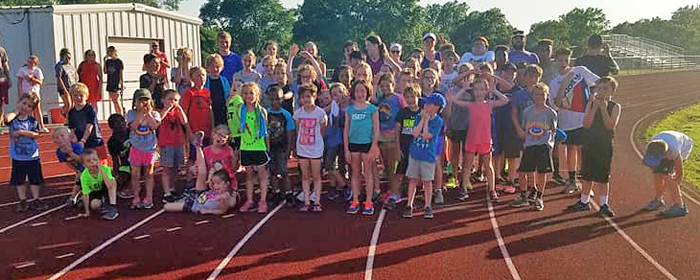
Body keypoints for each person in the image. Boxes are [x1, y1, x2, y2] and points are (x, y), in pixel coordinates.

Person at [568, 76, 620, 217]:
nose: (602, 92)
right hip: (590, 143)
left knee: (603, 176)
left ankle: (603, 204)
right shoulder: (590, 104)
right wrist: (595, 107)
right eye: (600, 88)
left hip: (604, 145)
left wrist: (603, 109)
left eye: (605, 89)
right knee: (587, 174)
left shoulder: (615, 107)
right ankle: (584, 201)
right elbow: (586, 124)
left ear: (612, 92)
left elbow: (610, 126)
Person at [452, 77, 510, 202]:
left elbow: (505, 100)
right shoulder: (470, 104)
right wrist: (464, 88)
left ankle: (492, 190)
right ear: (473, 91)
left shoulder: (489, 104)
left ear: (486, 91)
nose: (479, 92)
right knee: (467, 166)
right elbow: (455, 100)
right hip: (472, 139)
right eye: (476, 89)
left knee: (488, 166)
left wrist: (494, 90)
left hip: (485, 140)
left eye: (482, 89)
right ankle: (464, 189)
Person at [551, 48, 600, 194]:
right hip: (566, 121)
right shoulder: (554, 82)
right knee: (571, 149)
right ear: (556, 61)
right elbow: (557, 104)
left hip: (583, 119)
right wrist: (564, 86)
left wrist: (592, 96)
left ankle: (585, 182)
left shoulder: (580, 71)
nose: (563, 63)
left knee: (583, 150)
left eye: (566, 60)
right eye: (560, 60)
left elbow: (598, 82)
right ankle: (572, 181)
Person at [513, 82, 557, 211]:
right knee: (522, 172)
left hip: (544, 146)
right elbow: (525, 127)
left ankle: (539, 197)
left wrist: (550, 144)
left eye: (542, 94)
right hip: (530, 145)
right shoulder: (527, 111)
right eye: (536, 94)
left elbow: (553, 130)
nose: (539, 97)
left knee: (541, 173)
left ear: (547, 95)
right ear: (532, 96)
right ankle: (523, 196)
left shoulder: (551, 113)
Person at [164, 138, 235, 215]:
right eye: (214, 183)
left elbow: (222, 211)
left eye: (218, 183)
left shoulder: (224, 197)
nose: (215, 186)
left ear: (227, 184)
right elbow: (212, 172)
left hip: (193, 205)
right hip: (200, 194)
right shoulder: (217, 189)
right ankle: (198, 146)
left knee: (166, 207)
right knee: (202, 172)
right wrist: (209, 179)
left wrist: (207, 211)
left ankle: (183, 200)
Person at [402, 93, 445, 219]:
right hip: (415, 153)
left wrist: (426, 120)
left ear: (436, 107)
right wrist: (422, 119)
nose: (424, 106)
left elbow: (426, 135)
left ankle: (427, 206)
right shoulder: (418, 116)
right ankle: (409, 205)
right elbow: (415, 133)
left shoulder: (438, 121)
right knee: (413, 180)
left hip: (428, 155)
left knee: (427, 181)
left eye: (428, 104)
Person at [509, 65, 544, 206]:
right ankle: (526, 191)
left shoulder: (542, 93)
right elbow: (514, 114)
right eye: (529, 76)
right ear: (524, 77)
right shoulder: (519, 94)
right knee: (524, 164)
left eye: (535, 76)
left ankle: (534, 189)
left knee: (535, 165)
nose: (532, 79)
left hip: (539, 135)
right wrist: (518, 129)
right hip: (524, 134)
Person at [7, 92, 48, 212]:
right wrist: (16, 111)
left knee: (34, 180)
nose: (25, 107)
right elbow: (7, 118)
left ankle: (36, 200)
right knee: (19, 180)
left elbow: (36, 134)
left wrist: (22, 132)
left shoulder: (32, 121)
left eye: (29, 106)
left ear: (32, 109)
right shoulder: (13, 119)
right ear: (19, 102)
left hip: (32, 157)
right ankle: (22, 200)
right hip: (18, 157)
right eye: (23, 103)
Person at [344, 80, 380, 215]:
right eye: (357, 91)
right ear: (353, 92)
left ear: (367, 92)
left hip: (367, 145)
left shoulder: (372, 109)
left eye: (362, 91)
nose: (360, 94)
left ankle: (369, 201)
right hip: (353, 145)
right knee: (355, 173)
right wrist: (346, 149)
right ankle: (355, 200)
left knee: (368, 173)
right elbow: (346, 131)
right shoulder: (349, 110)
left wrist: (374, 147)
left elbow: (376, 130)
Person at [641, 131, 694, 217]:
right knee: (657, 174)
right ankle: (658, 200)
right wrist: (658, 174)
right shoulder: (650, 146)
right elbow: (652, 166)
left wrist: (673, 185)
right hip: (667, 140)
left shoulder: (674, 151)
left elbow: (679, 172)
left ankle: (680, 206)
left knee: (668, 176)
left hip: (685, 146)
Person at [237, 82, 271, 213]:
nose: (249, 95)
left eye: (251, 92)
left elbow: (265, 130)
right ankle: (250, 200)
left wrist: (267, 147)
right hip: (246, 147)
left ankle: (263, 201)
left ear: (257, 94)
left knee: (262, 175)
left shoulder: (262, 111)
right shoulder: (240, 109)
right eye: (245, 93)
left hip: (259, 147)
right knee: (249, 176)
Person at [294, 83, 328, 211]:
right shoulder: (298, 113)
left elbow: (323, 130)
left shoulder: (320, 113)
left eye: (308, 96)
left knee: (316, 176)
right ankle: (307, 202)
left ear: (314, 96)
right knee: (305, 176)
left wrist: (317, 142)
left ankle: (317, 202)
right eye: (303, 97)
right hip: (302, 149)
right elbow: (298, 129)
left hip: (316, 149)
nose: (306, 99)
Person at [126, 89, 161, 209]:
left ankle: (149, 197)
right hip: (136, 148)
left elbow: (154, 126)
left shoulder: (155, 114)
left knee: (149, 174)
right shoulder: (131, 113)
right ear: (135, 102)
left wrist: (148, 113)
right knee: (135, 174)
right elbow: (133, 126)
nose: (144, 103)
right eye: (141, 100)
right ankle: (136, 196)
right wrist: (140, 113)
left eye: (146, 100)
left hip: (150, 149)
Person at [444, 63, 475, 198]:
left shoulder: (474, 90)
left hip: (469, 126)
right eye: (462, 73)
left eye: (468, 73)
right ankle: (454, 176)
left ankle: (465, 178)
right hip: (455, 124)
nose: (465, 76)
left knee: (468, 153)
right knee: (455, 152)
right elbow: (454, 81)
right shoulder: (454, 89)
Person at [374, 73, 404, 210]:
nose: (385, 88)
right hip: (382, 136)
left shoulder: (398, 98)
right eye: (382, 86)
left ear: (394, 84)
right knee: (387, 166)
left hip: (393, 135)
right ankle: (392, 190)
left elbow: (404, 112)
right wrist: (375, 83)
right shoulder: (380, 99)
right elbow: (373, 99)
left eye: (388, 85)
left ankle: (395, 192)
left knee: (393, 167)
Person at [266, 86, 295, 205]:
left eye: (278, 99)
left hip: (282, 147)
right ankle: (276, 192)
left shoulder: (286, 115)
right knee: (273, 172)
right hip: (270, 147)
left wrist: (289, 149)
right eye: (272, 99)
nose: (275, 102)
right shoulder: (266, 113)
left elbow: (290, 132)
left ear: (282, 99)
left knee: (284, 172)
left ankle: (288, 193)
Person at [159, 89, 189, 203]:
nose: (173, 102)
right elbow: (159, 119)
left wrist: (179, 108)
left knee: (176, 167)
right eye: (170, 99)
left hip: (178, 142)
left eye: (175, 100)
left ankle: (172, 188)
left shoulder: (177, 111)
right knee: (167, 168)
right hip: (167, 143)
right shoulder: (160, 111)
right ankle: (166, 192)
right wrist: (167, 109)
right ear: (163, 100)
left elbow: (184, 121)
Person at [68, 83, 107, 160]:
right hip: (82, 142)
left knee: (101, 164)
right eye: (75, 95)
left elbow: (89, 127)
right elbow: (72, 129)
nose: (78, 98)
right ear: (71, 96)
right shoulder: (71, 112)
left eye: (81, 95)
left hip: (94, 141)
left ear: (86, 96)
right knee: (86, 165)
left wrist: (83, 140)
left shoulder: (89, 109)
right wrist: (74, 141)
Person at [395, 84, 422, 197]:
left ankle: (413, 193)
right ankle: (397, 191)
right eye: (407, 97)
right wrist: (397, 148)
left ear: (418, 96)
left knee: (415, 172)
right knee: (400, 171)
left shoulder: (422, 113)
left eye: (412, 96)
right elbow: (397, 131)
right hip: (404, 147)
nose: (410, 100)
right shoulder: (402, 112)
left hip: (416, 147)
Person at [77, 149, 119, 220]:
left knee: (112, 181)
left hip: (105, 188)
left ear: (98, 160)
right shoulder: (84, 176)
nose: (93, 162)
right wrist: (87, 212)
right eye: (88, 161)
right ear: (84, 165)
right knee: (94, 205)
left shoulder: (105, 169)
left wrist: (101, 170)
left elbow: (109, 185)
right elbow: (86, 194)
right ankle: (102, 201)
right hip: (94, 192)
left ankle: (113, 208)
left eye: (95, 159)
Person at [322, 84, 348, 201]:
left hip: (342, 140)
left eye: (340, 92)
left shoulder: (349, 106)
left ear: (345, 92)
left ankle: (342, 185)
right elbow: (321, 112)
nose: (338, 96)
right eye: (335, 95)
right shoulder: (333, 106)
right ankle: (338, 186)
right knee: (331, 164)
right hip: (332, 140)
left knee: (336, 165)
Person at [52, 126, 84, 207]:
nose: (59, 139)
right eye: (56, 137)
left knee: (80, 178)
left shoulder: (77, 146)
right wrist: (76, 170)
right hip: (80, 169)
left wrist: (70, 152)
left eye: (62, 136)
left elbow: (82, 161)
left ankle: (75, 197)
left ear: (69, 137)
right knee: (79, 177)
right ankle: (76, 196)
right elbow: (67, 162)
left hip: (90, 167)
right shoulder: (59, 152)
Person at [183, 67, 214, 150]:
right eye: (198, 75)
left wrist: (212, 129)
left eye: (203, 75)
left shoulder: (207, 92)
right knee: (194, 157)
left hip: (207, 131)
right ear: (192, 78)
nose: (201, 78)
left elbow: (210, 111)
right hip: (194, 131)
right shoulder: (189, 92)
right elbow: (184, 113)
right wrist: (189, 132)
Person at [16, 55, 48, 132]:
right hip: (26, 93)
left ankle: (42, 126)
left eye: (32, 63)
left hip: (35, 93)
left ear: (35, 64)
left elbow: (40, 82)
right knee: (26, 110)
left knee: (37, 109)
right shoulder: (22, 70)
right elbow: (19, 82)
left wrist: (32, 79)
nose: (30, 64)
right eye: (29, 62)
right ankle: (28, 126)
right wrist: (20, 93)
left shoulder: (38, 71)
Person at [107, 113, 134, 199]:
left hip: (139, 160)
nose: (121, 124)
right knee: (118, 180)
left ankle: (131, 186)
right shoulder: (112, 142)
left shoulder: (132, 132)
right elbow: (115, 161)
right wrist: (115, 177)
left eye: (122, 121)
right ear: (112, 127)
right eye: (117, 123)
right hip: (126, 165)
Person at [205, 54, 231, 127]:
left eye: (217, 67)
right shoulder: (205, 81)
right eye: (212, 67)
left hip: (223, 112)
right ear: (208, 68)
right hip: (210, 112)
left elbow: (228, 96)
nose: (215, 69)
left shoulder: (224, 80)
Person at [78, 50, 103, 114]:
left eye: (92, 55)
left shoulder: (97, 65)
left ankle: (94, 118)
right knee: (85, 102)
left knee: (94, 103)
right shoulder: (82, 65)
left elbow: (100, 78)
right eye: (89, 55)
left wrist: (99, 89)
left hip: (94, 87)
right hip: (84, 86)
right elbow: (78, 76)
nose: (91, 56)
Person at [55, 48, 78, 115]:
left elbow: (75, 76)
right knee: (68, 104)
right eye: (66, 58)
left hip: (72, 87)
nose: (68, 60)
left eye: (69, 58)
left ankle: (69, 117)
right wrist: (64, 89)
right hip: (64, 88)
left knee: (73, 104)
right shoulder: (60, 66)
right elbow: (59, 77)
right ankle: (66, 118)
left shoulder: (71, 66)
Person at [104, 46, 125, 115]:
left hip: (116, 82)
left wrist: (122, 84)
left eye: (111, 51)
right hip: (110, 82)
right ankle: (118, 113)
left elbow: (121, 74)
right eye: (109, 51)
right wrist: (104, 61)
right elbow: (105, 71)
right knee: (113, 100)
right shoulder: (108, 61)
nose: (110, 53)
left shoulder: (118, 62)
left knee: (116, 100)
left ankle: (120, 114)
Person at [0, 40, 10, 129]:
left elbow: (5, 65)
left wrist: (8, 78)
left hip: (1, 78)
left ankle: (0, 123)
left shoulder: (1, 50)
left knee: (1, 102)